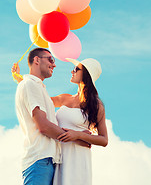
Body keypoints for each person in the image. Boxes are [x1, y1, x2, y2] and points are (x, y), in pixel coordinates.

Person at [13, 56, 108, 185]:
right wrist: (20, 78)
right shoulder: (64, 98)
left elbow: (104, 139)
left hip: (78, 156)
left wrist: (78, 135)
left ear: (86, 75)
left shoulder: (96, 105)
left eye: (76, 69)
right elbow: (38, 97)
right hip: (59, 155)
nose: (72, 71)